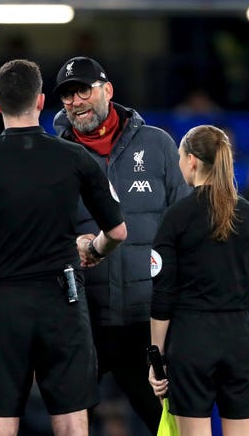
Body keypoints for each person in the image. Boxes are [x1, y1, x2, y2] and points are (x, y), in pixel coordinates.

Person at [0, 59, 127, 436]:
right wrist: (94, 250)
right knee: (70, 420)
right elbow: (117, 231)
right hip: (62, 299)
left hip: (1, 302)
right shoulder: (75, 157)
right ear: (42, 100)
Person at [52, 56, 191, 435]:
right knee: (71, 426)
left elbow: (186, 226)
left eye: (83, 89)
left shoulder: (159, 145)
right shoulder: (55, 157)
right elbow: (43, 234)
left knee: (169, 425)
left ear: (107, 90)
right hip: (85, 321)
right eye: (66, 94)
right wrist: (70, 243)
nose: (75, 101)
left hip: (148, 323)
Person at [148, 124, 249, 436]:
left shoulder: (175, 217)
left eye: (180, 157)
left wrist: (156, 358)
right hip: (241, 343)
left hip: (191, 344)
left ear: (192, 160)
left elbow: (162, 296)